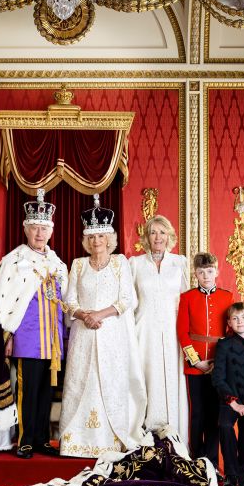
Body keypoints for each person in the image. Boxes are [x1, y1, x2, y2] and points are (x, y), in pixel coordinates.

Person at [58, 195, 147, 458]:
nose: (97, 242)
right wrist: (84, 315)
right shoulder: (78, 265)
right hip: (83, 335)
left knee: (109, 382)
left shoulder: (120, 263)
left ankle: (111, 439)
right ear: (86, 240)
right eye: (92, 237)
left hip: (111, 335)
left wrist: (99, 314)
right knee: (81, 382)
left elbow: (127, 300)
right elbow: (68, 301)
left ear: (110, 238)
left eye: (102, 236)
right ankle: (76, 442)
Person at [0, 189, 68, 459]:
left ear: (50, 231)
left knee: (46, 390)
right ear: (26, 229)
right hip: (27, 337)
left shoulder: (58, 263)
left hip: (52, 338)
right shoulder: (14, 261)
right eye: (34, 228)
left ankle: (43, 438)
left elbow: (66, 301)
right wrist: (6, 336)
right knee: (27, 390)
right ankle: (25, 439)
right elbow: (3, 301)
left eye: (44, 228)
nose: (39, 233)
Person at [129, 215, 190, 440]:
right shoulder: (135, 264)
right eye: (153, 232)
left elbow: (185, 301)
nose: (158, 237)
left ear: (169, 236)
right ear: (146, 236)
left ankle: (173, 433)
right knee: (145, 378)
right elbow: (129, 301)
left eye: (162, 232)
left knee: (171, 379)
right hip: (143, 331)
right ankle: (145, 433)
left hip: (172, 331)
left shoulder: (179, 263)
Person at [176, 252, 234, 465]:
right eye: (201, 272)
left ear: (217, 272)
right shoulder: (187, 297)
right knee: (197, 412)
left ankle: (212, 460)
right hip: (195, 366)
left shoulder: (227, 297)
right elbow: (183, 333)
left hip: (218, 366)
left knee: (215, 413)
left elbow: (230, 332)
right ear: (195, 274)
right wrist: (196, 361)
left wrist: (218, 362)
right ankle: (195, 457)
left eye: (209, 271)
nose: (206, 276)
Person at [211, 303, 244, 486]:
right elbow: (218, 378)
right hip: (229, 400)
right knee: (224, 426)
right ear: (229, 323)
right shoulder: (224, 345)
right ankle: (231, 477)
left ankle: (243, 480)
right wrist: (233, 403)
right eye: (235, 318)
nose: (240, 322)